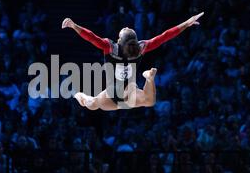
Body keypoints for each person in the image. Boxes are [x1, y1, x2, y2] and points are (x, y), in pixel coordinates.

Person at [61, 12, 204, 110]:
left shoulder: (110, 47)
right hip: (130, 95)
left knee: (91, 104)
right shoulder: (141, 48)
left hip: (112, 95)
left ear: (119, 40)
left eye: (125, 29)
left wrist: (74, 26)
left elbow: (91, 37)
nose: (126, 26)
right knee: (150, 101)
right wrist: (186, 24)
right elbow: (164, 36)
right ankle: (148, 78)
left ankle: (80, 95)